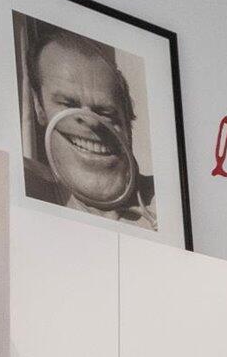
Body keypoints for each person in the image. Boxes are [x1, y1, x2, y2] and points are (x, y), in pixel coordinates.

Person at [17, 19, 156, 226]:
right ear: (39, 108)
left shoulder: (168, 199)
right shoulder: (26, 196)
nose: (92, 122)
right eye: (68, 104)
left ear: (127, 117)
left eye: (105, 111)